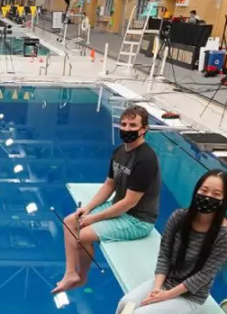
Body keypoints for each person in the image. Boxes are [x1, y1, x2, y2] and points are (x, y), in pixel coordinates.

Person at [110, 170, 227, 314]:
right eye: (204, 190)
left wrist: (166, 296)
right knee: (124, 303)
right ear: (196, 190)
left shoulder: (225, 235)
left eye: (216, 194)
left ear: (224, 199)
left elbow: (204, 275)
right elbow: (165, 255)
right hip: (165, 282)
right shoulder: (179, 217)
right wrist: (157, 288)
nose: (208, 197)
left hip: (190, 297)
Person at [53, 106, 161, 294]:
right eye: (124, 124)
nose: (126, 129)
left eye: (133, 125)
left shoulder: (146, 159)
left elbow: (130, 202)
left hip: (138, 220)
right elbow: (109, 185)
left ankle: (82, 276)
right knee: (70, 221)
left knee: (82, 236)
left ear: (144, 129)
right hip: (118, 207)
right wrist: (87, 208)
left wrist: (94, 218)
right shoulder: (119, 152)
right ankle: (70, 273)